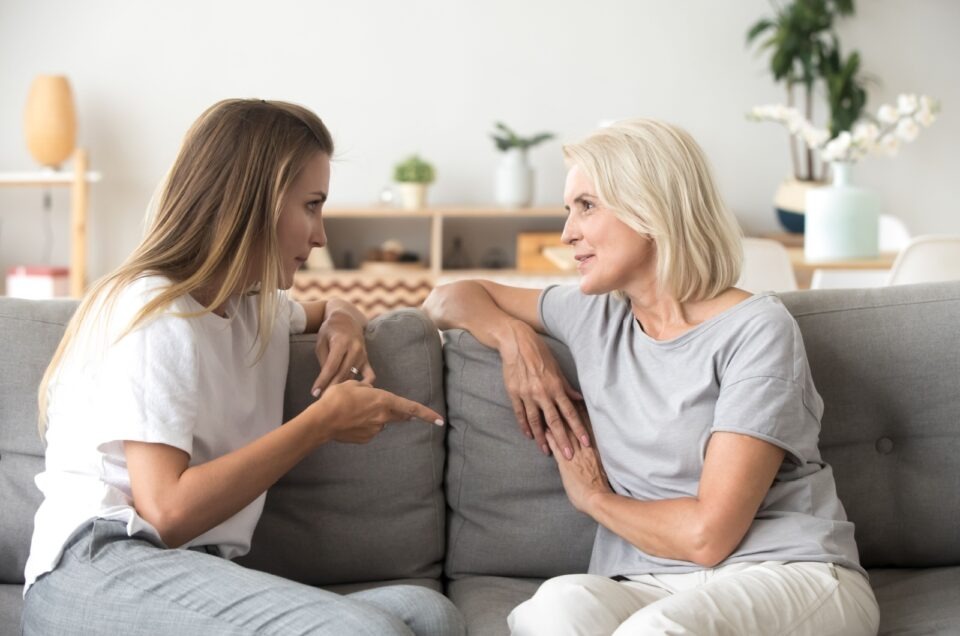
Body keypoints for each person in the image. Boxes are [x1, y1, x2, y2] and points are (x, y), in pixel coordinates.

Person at [22, 98, 464, 636]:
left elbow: (330, 307)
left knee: (431, 616)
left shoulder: (254, 306)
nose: (320, 235)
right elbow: (166, 511)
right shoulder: (155, 311)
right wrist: (320, 424)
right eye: (311, 205)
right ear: (253, 202)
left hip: (192, 568)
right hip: (97, 566)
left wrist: (344, 322)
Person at [423, 118, 880, 635]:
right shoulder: (593, 314)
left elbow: (708, 535)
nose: (567, 232)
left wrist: (594, 499)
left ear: (651, 209)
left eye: (587, 206)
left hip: (787, 572)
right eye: (569, 209)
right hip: (648, 581)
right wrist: (515, 342)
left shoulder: (756, 330)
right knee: (553, 608)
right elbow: (446, 297)